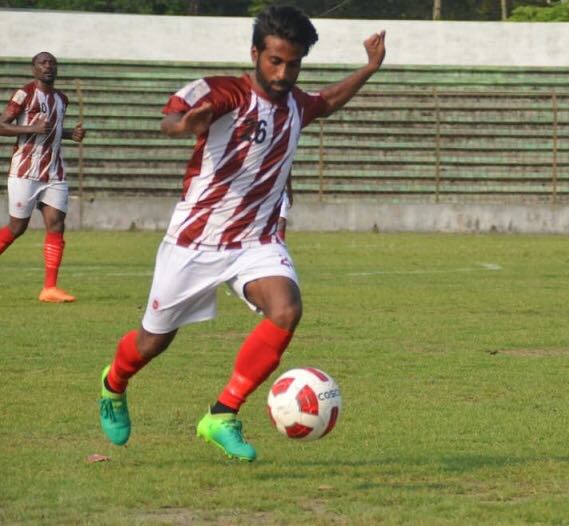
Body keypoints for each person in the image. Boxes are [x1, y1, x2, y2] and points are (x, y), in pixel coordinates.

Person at [97, 6, 386, 461]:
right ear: (255, 53)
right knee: (153, 342)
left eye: (293, 64)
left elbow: (327, 101)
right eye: (274, 61)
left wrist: (369, 68)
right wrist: (186, 125)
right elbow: (170, 118)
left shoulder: (296, 106)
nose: (283, 73)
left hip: (257, 240)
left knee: (286, 309)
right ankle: (113, 385)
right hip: (194, 242)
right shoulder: (224, 92)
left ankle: (222, 413)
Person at [0, 52, 86, 303]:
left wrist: (71, 134)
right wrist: (31, 128)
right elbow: (2, 125)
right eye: (43, 63)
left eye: (52, 63)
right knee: (17, 227)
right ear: (34, 69)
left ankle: (49, 288)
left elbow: (52, 131)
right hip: (25, 171)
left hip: (54, 171)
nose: (48, 66)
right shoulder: (24, 94)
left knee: (57, 223)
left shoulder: (62, 99)